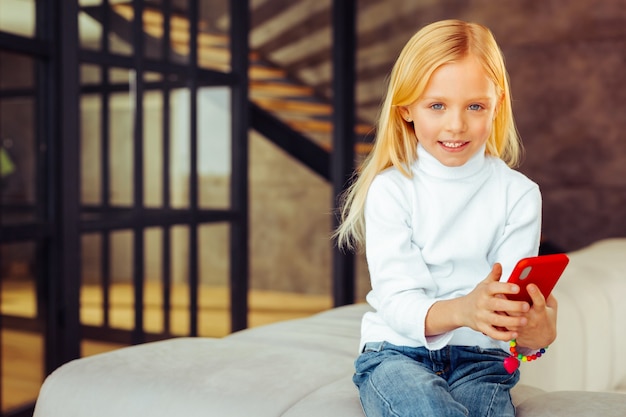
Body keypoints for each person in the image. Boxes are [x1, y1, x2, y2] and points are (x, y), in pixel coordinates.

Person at [334, 19, 557, 417]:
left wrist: (534, 336)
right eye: (437, 105)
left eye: (475, 106)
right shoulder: (392, 189)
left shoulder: (519, 195)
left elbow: (508, 315)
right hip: (396, 354)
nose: (456, 124)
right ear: (406, 109)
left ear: (498, 104)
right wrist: (464, 310)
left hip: (482, 363)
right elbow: (398, 303)